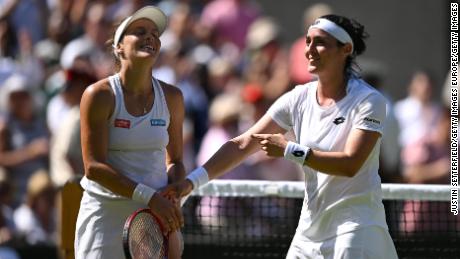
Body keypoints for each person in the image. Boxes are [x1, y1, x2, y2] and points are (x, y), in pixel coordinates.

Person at [165, 14, 398, 259]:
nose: (310, 49)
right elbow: (243, 143)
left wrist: (290, 150)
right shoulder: (298, 98)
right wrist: (190, 183)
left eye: (320, 42)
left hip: (356, 227)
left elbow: (351, 164)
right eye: (308, 41)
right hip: (309, 232)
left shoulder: (370, 101)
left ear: (346, 49)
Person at [75, 6, 185, 259]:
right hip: (105, 220)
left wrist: (175, 191)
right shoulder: (99, 95)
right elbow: (93, 167)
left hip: (153, 222)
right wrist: (151, 197)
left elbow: (176, 161)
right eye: (140, 31)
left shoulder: (173, 97)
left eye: (155, 34)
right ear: (119, 47)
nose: (150, 37)